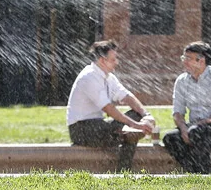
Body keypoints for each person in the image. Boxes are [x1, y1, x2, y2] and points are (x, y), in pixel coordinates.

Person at [66, 40, 156, 171]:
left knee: (135, 117)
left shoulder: (109, 77)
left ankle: (123, 168)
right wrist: (135, 125)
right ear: (102, 60)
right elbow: (108, 108)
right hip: (81, 129)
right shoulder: (89, 77)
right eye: (113, 59)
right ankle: (124, 170)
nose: (117, 62)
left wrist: (146, 115)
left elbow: (126, 96)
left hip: (99, 126)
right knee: (130, 132)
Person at [162, 41, 211, 174]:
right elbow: (177, 112)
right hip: (193, 127)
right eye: (184, 58)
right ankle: (193, 173)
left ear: (201, 60)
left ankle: (205, 177)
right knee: (170, 138)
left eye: (188, 58)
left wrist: (197, 125)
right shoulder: (182, 81)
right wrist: (183, 128)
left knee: (196, 135)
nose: (184, 62)